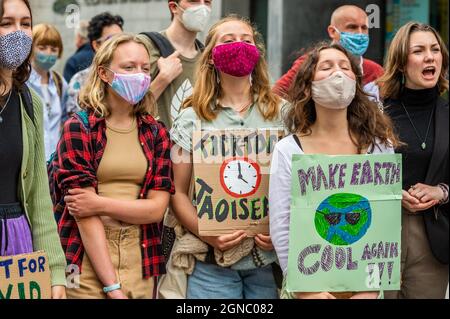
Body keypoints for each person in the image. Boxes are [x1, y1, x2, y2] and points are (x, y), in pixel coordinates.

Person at [269, 42, 400, 299]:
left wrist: (370, 290)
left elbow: (385, 222)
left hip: (366, 289)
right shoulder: (287, 150)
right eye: (326, 67)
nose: (338, 73)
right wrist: (307, 291)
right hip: (306, 287)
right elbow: (282, 225)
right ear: (307, 85)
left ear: (356, 81)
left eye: (345, 67)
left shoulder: (379, 147)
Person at [170, 15, 288, 299]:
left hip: (268, 263)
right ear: (211, 56)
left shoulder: (284, 113)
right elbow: (177, 191)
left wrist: (281, 233)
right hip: (211, 267)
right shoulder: (190, 118)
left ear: (257, 53)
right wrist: (205, 232)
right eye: (228, 40)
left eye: (247, 41)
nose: (239, 46)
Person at [51, 33, 174, 299]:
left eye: (144, 68)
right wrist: (112, 286)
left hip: (140, 253)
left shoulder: (156, 132)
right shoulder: (79, 127)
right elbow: (83, 212)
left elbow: (156, 209)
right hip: (84, 255)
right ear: (104, 74)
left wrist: (100, 203)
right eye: (129, 67)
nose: (139, 75)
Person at [377, 22, 449, 299]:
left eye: (435, 49)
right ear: (401, 63)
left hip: (431, 238)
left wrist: (441, 191)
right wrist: (392, 193)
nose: (430, 56)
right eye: (418, 50)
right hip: (377, 233)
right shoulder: (375, 113)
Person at [0, 0, 66, 298]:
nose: (19, 33)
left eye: (25, 24)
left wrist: (55, 272)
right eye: (6, 24)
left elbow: (39, 196)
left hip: (18, 246)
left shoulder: (30, 103)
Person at [273, 5, 383, 101]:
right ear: (333, 31)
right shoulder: (310, 62)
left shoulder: (375, 71)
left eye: (364, 28)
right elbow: (276, 95)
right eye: (352, 27)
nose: (360, 33)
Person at [142, 0, 213, 128]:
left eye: (207, 2)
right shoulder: (146, 46)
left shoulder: (208, 59)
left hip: (194, 146)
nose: (202, 7)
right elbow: (125, 111)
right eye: (194, 1)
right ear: (174, 7)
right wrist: (163, 79)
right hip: (154, 145)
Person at [65, 12, 123, 115]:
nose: (118, 44)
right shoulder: (80, 80)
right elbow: (75, 121)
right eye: (111, 39)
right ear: (96, 45)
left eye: (122, 39)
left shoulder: (130, 77)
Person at [27, 23, 68, 161]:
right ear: (31, 48)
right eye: (42, 48)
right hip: (30, 160)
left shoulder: (60, 83)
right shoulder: (21, 82)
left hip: (55, 162)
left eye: (54, 49)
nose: (49, 53)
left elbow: (64, 120)